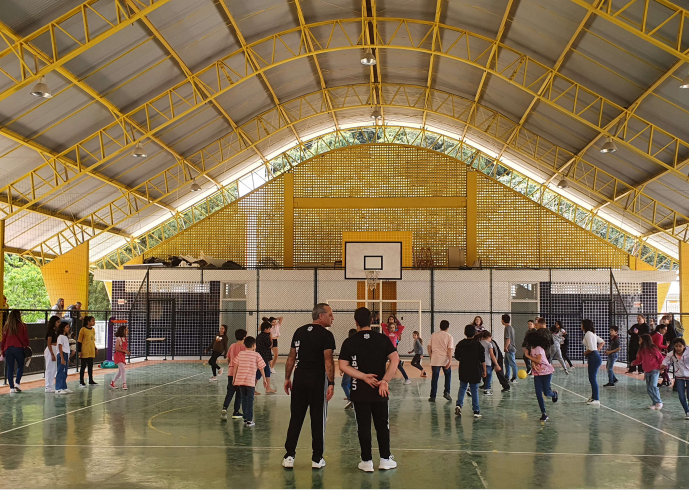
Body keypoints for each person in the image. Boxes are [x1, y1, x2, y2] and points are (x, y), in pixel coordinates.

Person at [339, 307, 399, 472]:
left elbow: (342, 365)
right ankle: (385, 459)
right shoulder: (382, 339)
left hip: (359, 391)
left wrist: (363, 376)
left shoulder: (349, 341)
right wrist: (385, 381)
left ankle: (366, 462)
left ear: (356, 322)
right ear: (372, 321)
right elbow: (395, 359)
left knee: (363, 426)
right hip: (380, 390)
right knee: (382, 425)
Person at [283, 303, 336, 470]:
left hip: (299, 378)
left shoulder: (299, 331)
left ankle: (289, 456)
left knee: (296, 417)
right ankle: (316, 458)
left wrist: (287, 378)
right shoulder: (326, 335)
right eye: (330, 314)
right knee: (317, 418)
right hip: (317, 378)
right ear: (321, 316)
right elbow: (328, 361)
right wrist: (332, 383)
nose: (332, 317)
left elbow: (291, 357)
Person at [523, 328, 558, 421]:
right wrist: (532, 363)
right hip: (537, 373)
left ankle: (554, 394)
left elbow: (538, 359)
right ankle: (544, 413)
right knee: (538, 393)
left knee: (546, 392)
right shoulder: (532, 348)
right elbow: (534, 360)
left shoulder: (538, 348)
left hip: (546, 372)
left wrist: (527, 356)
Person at [232, 336, 266, 427]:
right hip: (250, 382)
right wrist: (265, 379)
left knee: (244, 399)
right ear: (254, 345)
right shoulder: (256, 355)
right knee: (250, 400)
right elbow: (261, 367)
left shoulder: (240, 354)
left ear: (244, 345)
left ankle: (246, 418)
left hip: (241, 381)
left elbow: (235, 366)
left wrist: (234, 378)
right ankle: (250, 420)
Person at [454, 324, 485, 418]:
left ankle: (459, 405)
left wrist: (464, 360)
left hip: (464, 368)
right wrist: (484, 370)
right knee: (474, 389)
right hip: (475, 369)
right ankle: (476, 410)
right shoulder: (477, 344)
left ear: (464, 333)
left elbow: (457, 356)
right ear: (475, 333)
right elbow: (482, 359)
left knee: (463, 387)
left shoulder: (460, 344)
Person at [632, 334, 664, 410]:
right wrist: (634, 363)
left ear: (645, 341)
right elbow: (639, 359)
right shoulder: (641, 350)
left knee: (653, 385)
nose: (639, 341)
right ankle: (654, 402)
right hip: (647, 371)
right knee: (649, 388)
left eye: (640, 340)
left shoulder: (653, 348)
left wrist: (662, 368)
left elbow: (660, 358)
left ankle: (659, 402)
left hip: (655, 369)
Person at [221, 329, 247, 421]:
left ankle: (224, 408)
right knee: (239, 393)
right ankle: (236, 412)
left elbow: (228, 358)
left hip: (231, 371)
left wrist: (230, 365)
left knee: (230, 391)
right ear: (245, 337)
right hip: (240, 372)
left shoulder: (232, 346)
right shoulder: (244, 347)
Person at [1, 310, 29, 393]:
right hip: (19, 348)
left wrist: (2, 349)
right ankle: (17, 383)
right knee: (20, 366)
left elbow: (3, 340)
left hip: (8, 349)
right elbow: (25, 338)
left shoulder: (6, 326)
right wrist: (27, 346)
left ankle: (11, 388)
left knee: (10, 368)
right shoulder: (23, 326)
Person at [661, 338, 689, 419]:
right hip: (679, 376)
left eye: (680, 346)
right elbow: (665, 361)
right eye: (676, 346)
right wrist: (662, 367)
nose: (678, 348)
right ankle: (687, 412)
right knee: (681, 395)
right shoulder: (671, 354)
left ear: (684, 346)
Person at [428, 319, 454, 402]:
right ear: (448, 327)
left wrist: (431, 356)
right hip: (444, 359)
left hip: (435, 359)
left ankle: (433, 396)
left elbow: (429, 347)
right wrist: (450, 360)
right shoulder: (449, 336)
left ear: (440, 327)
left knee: (435, 377)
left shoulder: (434, 335)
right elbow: (449, 349)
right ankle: (447, 392)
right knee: (448, 375)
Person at [382, 315, 410, 385]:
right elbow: (382, 325)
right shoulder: (387, 332)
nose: (392, 329)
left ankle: (407, 378)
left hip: (394, 350)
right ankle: (382, 377)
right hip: (387, 350)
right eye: (391, 328)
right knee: (382, 363)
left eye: (393, 327)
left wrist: (395, 323)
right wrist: (389, 324)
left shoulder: (396, 333)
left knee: (398, 365)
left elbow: (402, 327)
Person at [582, 319, 604, 406]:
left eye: (582, 324)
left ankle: (596, 399)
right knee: (592, 378)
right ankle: (593, 397)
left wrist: (585, 353)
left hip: (593, 357)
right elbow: (602, 342)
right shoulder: (592, 333)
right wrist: (596, 350)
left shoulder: (588, 334)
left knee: (592, 378)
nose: (581, 325)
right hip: (594, 356)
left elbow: (591, 348)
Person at [78, 315, 98, 387]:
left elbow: (92, 340)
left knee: (90, 366)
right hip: (85, 350)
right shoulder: (83, 329)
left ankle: (90, 380)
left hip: (91, 350)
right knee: (83, 366)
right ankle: (81, 381)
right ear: (88, 322)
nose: (94, 322)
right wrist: (79, 351)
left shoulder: (93, 330)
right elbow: (79, 341)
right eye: (92, 321)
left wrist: (95, 348)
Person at [256, 321, 276, 393]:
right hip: (263, 356)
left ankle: (268, 388)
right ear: (266, 329)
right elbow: (270, 346)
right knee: (259, 372)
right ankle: (253, 387)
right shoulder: (265, 336)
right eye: (269, 329)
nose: (270, 330)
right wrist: (271, 338)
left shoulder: (260, 335)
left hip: (263, 356)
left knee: (267, 371)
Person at [55, 321, 73, 394]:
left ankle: (63, 386)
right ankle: (58, 388)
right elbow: (60, 347)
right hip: (61, 354)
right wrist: (62, 358)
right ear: (63, 328)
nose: (68, 328)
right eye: (67, 327)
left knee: (64, 371)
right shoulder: (60, 337)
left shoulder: (65, 337)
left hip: (66, 355)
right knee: (60, 371)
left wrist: (67, 358)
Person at [44, 315, 61, 393]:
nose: (59, 324)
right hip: (51, 349)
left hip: (55, 349)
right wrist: (52, 354)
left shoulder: (56, 331)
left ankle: (51, 385)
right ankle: (48, 386)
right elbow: (49, 343)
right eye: (57, 322)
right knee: (49, 368)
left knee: (53, 369)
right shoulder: (51, 331)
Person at [110, 324, 130, 390]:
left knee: (120, 371)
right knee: (123, 370)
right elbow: (116, 348)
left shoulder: (125, 339)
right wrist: (124, 351)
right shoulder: (119, 339)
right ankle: (124, 384)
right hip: (118, 356)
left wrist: (126, 351)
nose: (127, 331)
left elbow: (123, 348)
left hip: (122, 356)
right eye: (126, 330)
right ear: (123, 331)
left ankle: (113, 382)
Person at [342, 328, 357, 410]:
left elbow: (344, 357)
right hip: (356, 366)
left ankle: (350, 398)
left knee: (344, 384)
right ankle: (351, 398)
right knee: (352, 383)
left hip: (349, 367)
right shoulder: (359, 343)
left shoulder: (347, 343)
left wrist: (342, 369)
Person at [502, 314, 518, 382]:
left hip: (509, 348)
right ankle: (507, 376)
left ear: (503, 320)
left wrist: (506, 347)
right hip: (509, 348)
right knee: (506, 362)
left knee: (512, 363)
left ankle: (514, 377)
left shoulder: (507, 328)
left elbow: (508, 339)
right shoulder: (511, 328)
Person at [479, 331, 495, 395]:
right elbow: (492, 354)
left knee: (479, 375)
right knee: (489, 375)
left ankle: (470, 388)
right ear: (488, 337)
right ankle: (487, 389)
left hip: (479, 362)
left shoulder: (478, 343)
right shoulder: (489, 344)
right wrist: (496, 363)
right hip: (487, 363)